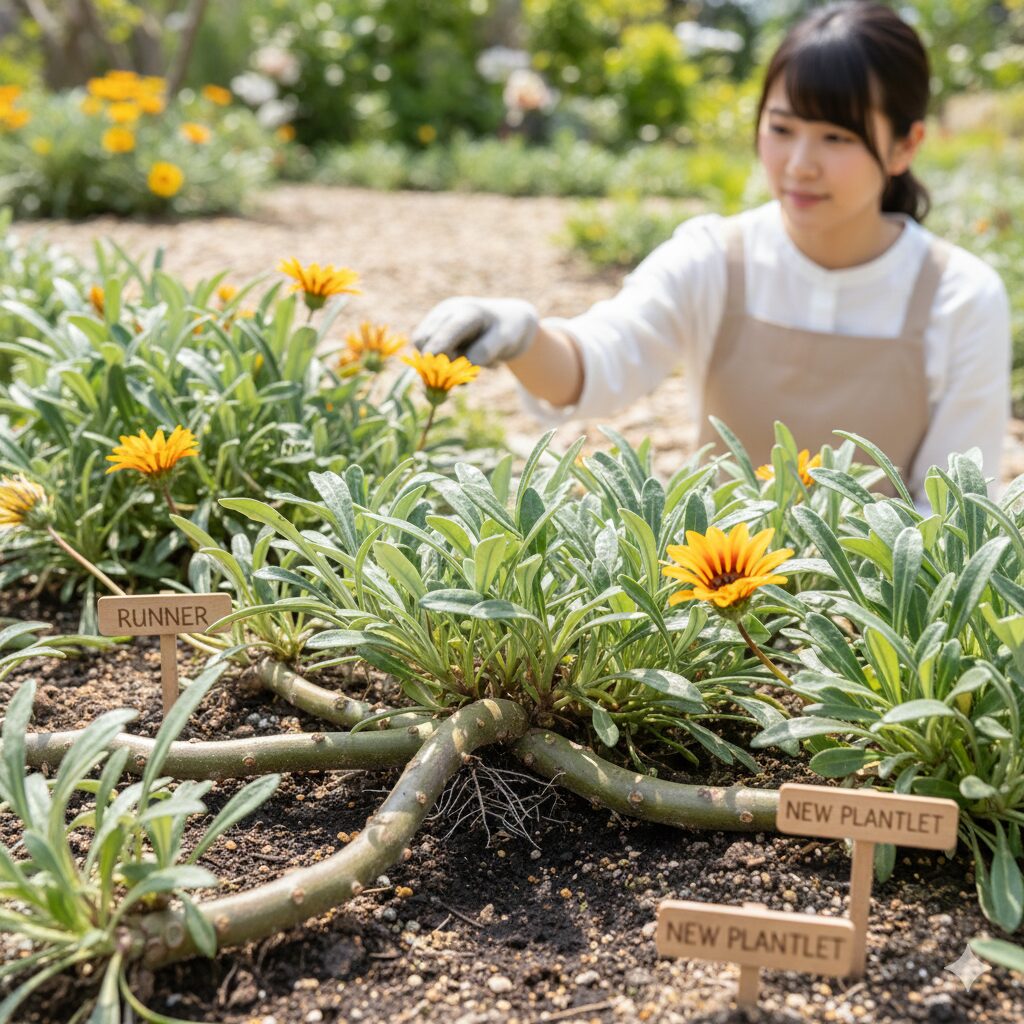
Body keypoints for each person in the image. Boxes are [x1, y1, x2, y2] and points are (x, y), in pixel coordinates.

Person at [410, 1, 1011, 506]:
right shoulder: (714, 258)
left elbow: (954, 511)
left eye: (836, 137)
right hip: (714, 607)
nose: (799, 163)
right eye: (781, 129)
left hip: (876, 625)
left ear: (906, 145)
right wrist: (521, 335)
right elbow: (600, 361)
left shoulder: (960, 296)